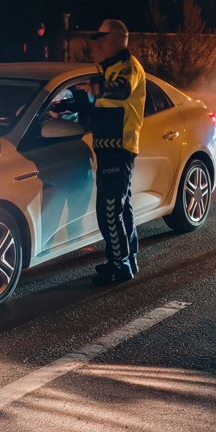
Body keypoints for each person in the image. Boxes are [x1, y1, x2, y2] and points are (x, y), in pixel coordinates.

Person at [79, 18, 146, 285]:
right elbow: (101, 105)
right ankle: (127, 260)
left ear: (115, 40)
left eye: (102, 40)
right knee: (120, 207)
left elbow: (122, 90)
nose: (98, 46)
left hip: (119, 148)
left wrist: (98, 88)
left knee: (109, 210)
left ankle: (120, 267)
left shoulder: (128, 68)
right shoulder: (111, 69)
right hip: (110, 148)